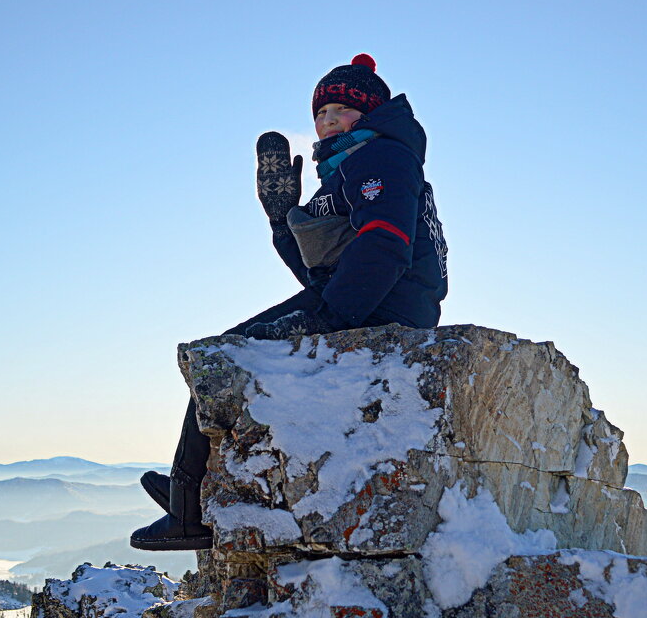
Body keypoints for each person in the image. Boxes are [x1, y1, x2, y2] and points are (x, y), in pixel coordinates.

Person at [130, 54, 449, 551]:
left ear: (368, 115)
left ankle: (188, 508)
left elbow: (386, 244)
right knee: (224, 352)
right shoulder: (348, 168)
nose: (326, 122)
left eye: (340, 110)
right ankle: (189, 495)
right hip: (362, 299)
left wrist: (329, 315)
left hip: (384, 307)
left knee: (227, 356)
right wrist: (282, 221)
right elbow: (320, 270)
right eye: (320, 114)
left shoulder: (380, 157)